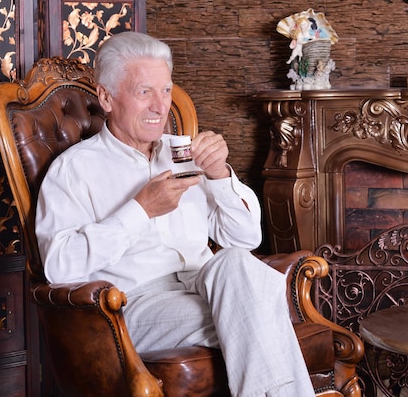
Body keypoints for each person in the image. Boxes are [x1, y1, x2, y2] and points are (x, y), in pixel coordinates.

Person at [35, 31, 315, 397]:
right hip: (134, 305)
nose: (159, 105)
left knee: (236, 264)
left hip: (211, 285)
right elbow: (59, 267)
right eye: (144, 91)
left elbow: (247, 238)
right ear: (106, 97)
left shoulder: (183, 153)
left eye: (165, 90)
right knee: (262, 308)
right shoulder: (74, 170)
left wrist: (219, 175)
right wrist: (140, 210)